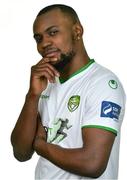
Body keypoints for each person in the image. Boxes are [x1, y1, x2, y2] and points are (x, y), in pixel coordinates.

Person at [11, 4, 126, 179]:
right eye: (38, 38)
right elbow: (21, 153)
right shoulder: (45, 82)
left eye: (53, 32)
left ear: (77, 31)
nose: (44, 43)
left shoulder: (103, 84)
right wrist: (32, 96)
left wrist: (41, 146)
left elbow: (92, 163)